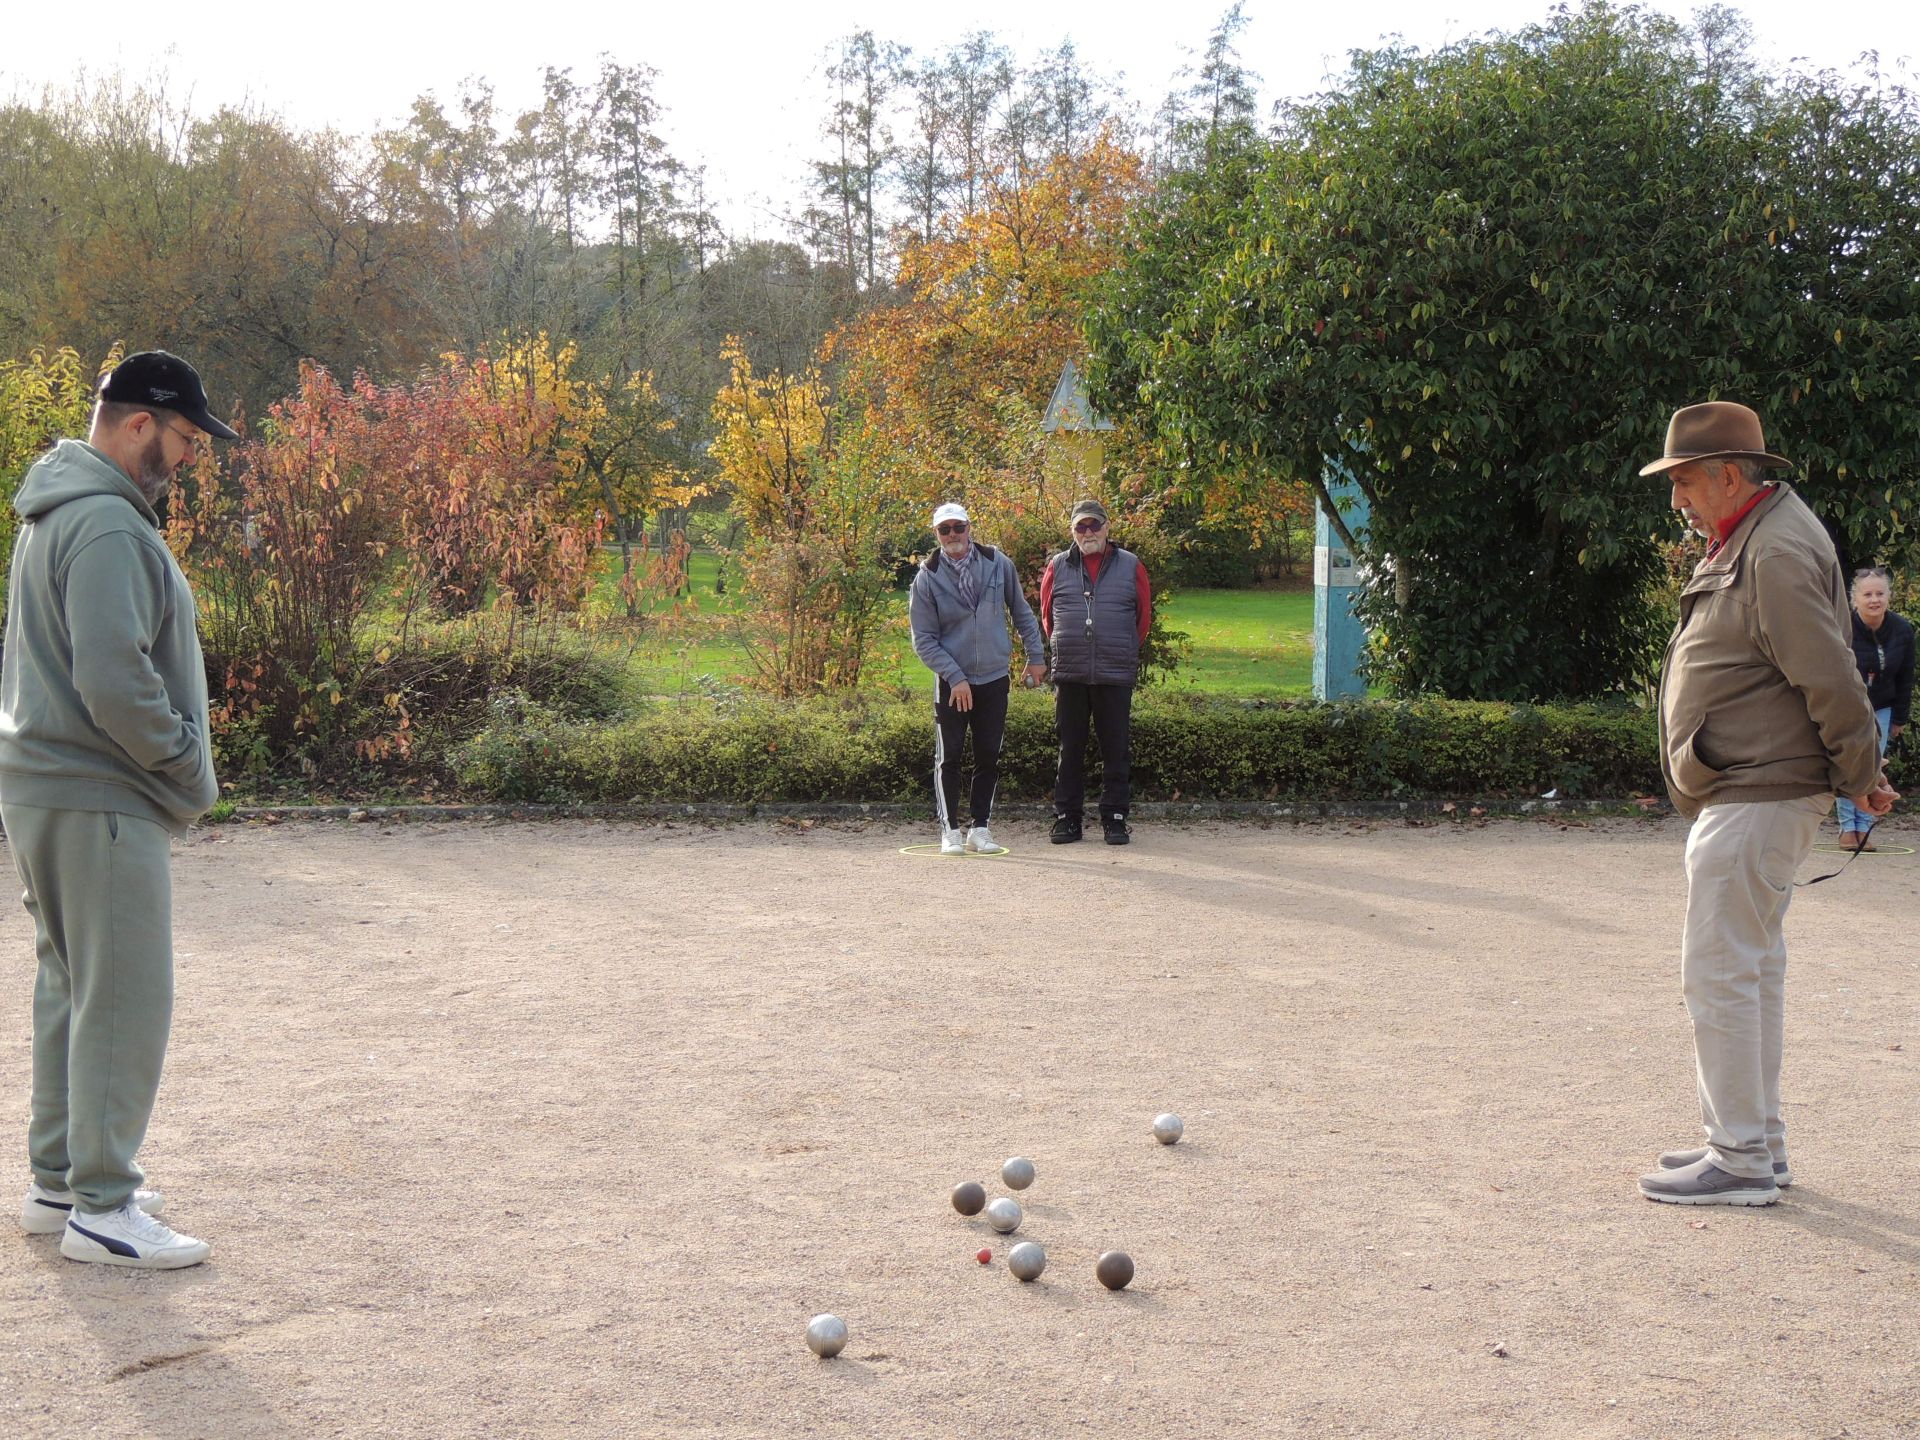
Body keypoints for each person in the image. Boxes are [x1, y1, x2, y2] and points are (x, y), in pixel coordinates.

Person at [2, 351, 235, 1267]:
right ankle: (104, 1205)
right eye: (183, 438)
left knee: (71, 983)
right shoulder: (105, 524)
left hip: (46, 782)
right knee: (125, 993)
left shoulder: (57, 513)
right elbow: (113, 677)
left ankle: (60, 1181)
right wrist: (185, 764)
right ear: (139, 424)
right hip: (98, 790)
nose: (185, 458)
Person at [1638, 400, 1893, 1207]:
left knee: (1720, 971)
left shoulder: (1774, 547)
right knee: (1748, 971)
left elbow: (1828, 670)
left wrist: (1862, 772)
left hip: (1761, 789)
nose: (1676, 499)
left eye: (1683, 482)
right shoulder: (1757, 533)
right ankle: (1754, 1144)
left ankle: (1742, 1157)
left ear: (1728, 474)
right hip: (1754, 786)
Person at [908, 502, 1046, 855]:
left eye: (958, 527)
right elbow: (923, 639)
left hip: (994, 677)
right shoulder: (927, 576)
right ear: (936, 534)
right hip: (952, 682)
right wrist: (955, 677)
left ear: (970, 527)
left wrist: (1036, 657)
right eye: (945, 530)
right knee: (949, 757)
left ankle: (980, 828)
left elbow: (1021, 612)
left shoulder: (999, 564)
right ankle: (950, 829)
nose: (953, 535)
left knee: (988, 756)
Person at [1040, 499, 1151, 846]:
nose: (1088, 532)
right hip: (1071, 671)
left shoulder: (1131, 565)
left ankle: (1115, 818)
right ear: (1072, 531)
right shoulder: (1057, 566)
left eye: (1094, 525)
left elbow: (1142, 619)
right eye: (1080, 527)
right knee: (1069, 748)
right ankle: (1067, 818)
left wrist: (1119, 646)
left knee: (1116, 748)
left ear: (1107, 528)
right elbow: (1047, 618)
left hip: (1114, 671)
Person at [1834, 566, 1913, 852]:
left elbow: (1906, 677)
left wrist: (1899, 717)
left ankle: (1864, 828)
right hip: (1848, 708)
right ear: (1855, 598)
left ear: (1888, 596)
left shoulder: (1902, 630)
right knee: (1849, 765)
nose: (1874, 599)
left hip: (1882, 707)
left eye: (1880, 593)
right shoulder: (1843, 626)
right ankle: (1847, 827)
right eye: (1867, 594)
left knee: (1873, 767)